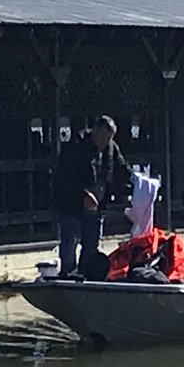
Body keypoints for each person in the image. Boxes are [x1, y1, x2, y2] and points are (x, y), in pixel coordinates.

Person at [52, 115, 132, 277]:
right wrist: (84, 195)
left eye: (109, 138)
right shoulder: (76, 146)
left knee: (91, 243)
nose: (105, 142)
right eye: (103, 137)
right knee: (70, 241)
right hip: (72, 203)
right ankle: (67, 274)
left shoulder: (111, 147)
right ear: (94, 131)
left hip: (97, 206)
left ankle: (85, 274)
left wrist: (137, 184)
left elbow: (122, 169)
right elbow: (65, 177)